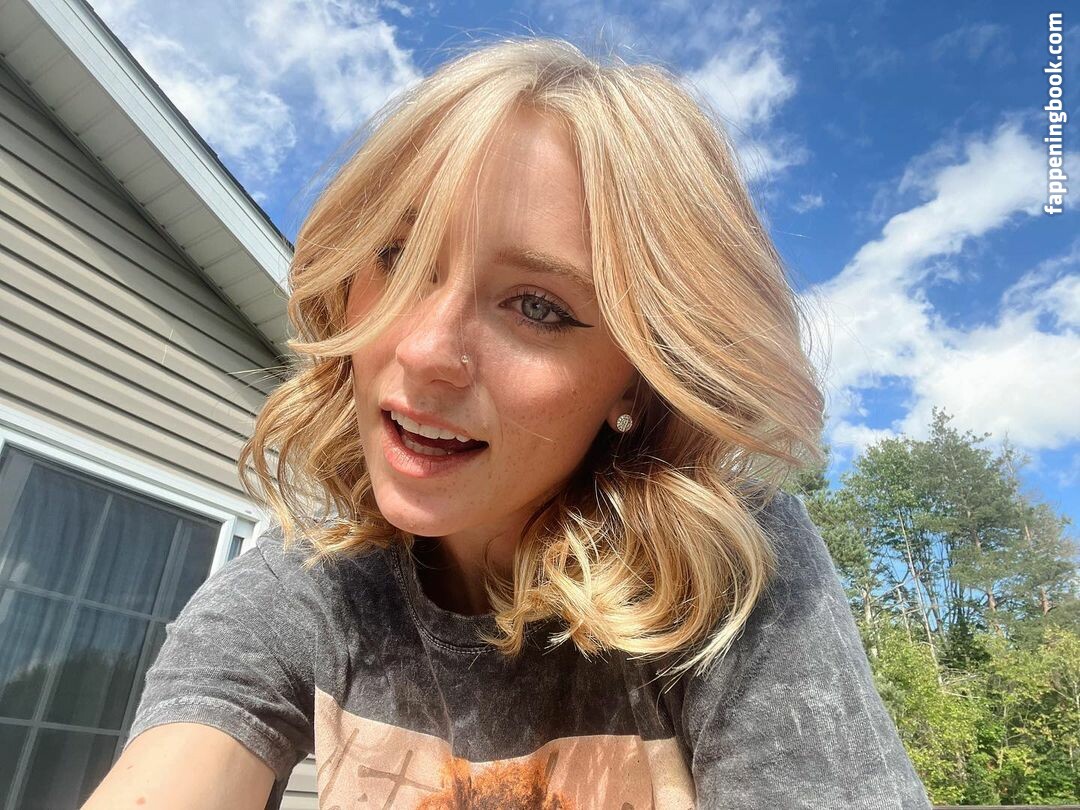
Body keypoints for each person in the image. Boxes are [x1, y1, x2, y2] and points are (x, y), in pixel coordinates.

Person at [83, 36, 932, 810]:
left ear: (639, 384)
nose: (425, 350)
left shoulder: (731, 565)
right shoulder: (314, 577)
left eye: (537, 306)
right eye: (398, 257)